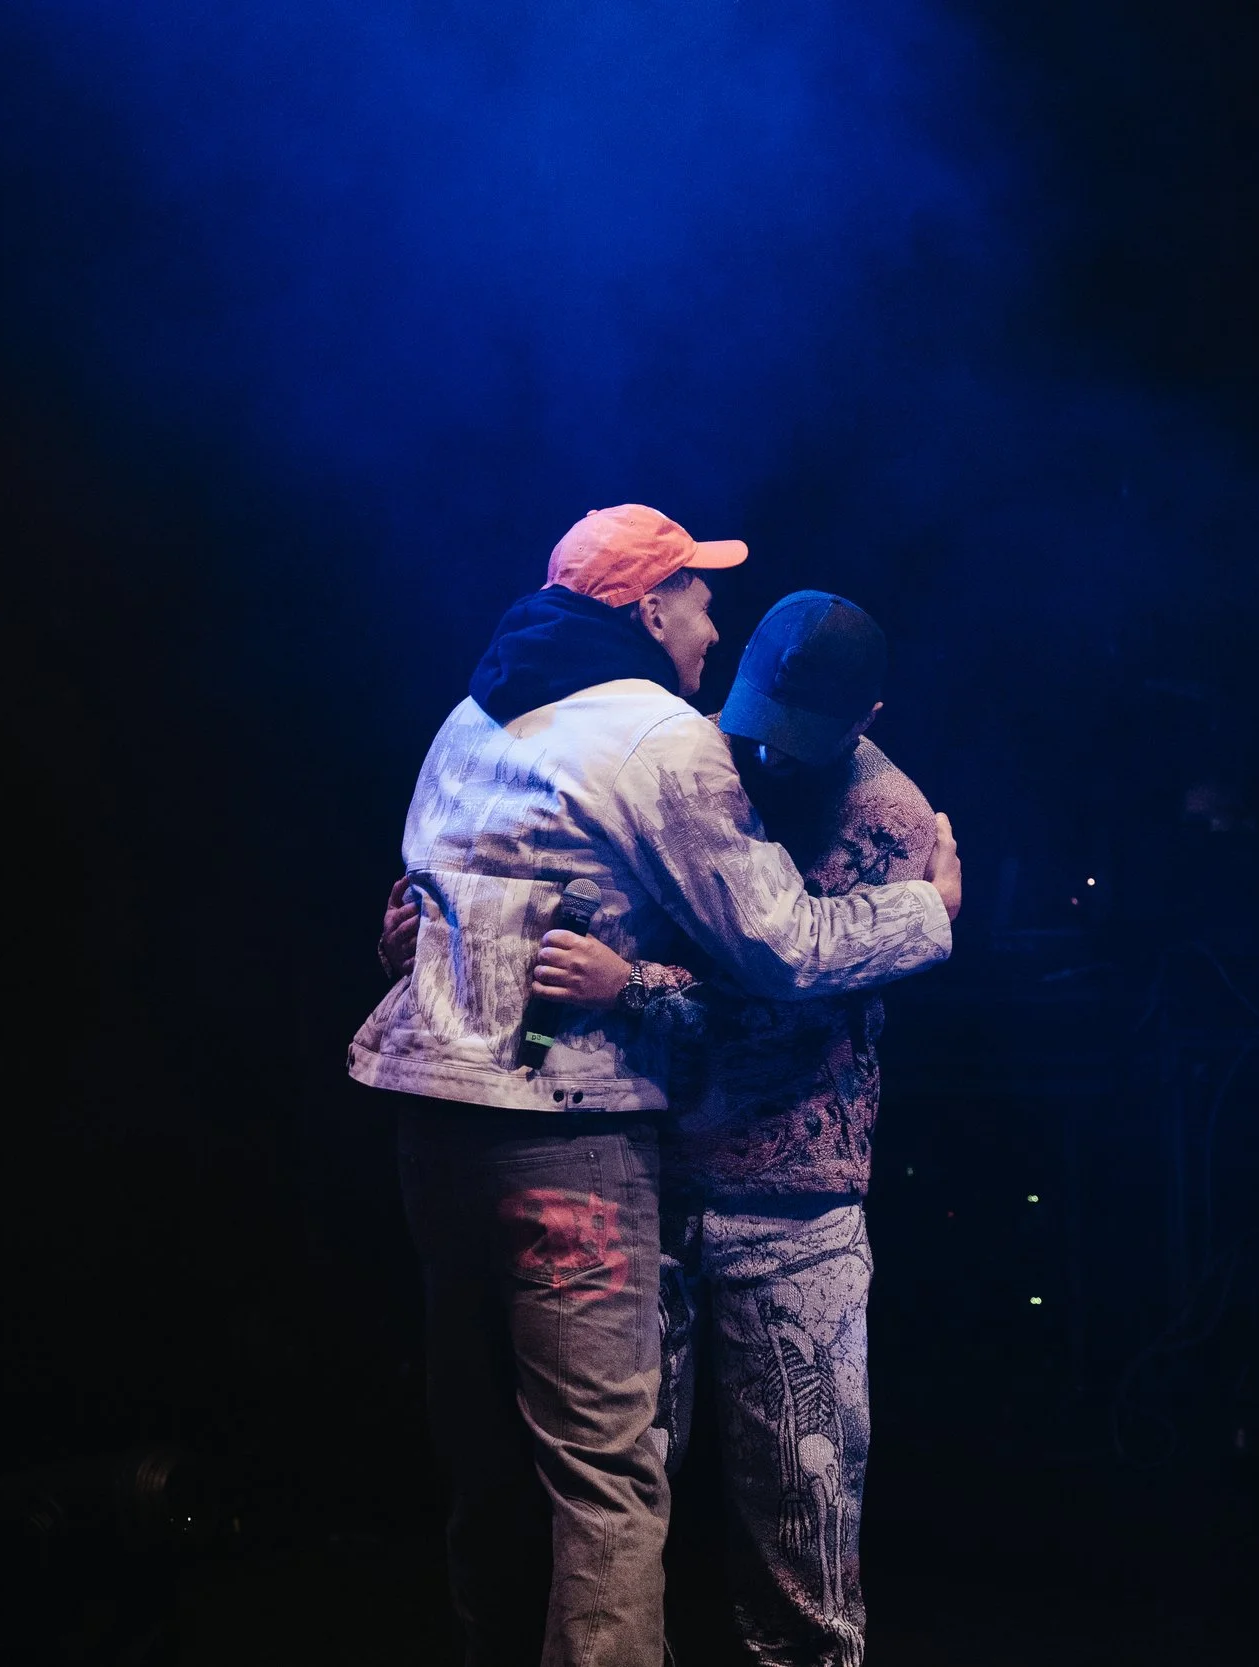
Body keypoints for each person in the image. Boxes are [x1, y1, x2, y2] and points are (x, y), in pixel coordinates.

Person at [354, 510, 962, 1667]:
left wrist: (462, 949)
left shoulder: (471, 715)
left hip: (491, 1126)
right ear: (647, 610)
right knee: (600, 1488)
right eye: (695, 594)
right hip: (588, 1143)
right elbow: (781, 946)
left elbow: (458, 891)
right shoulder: (665, 739)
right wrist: (930, 911)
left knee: (527, 1478)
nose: (709, 619)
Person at [529, 591, 930, 1666]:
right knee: (606, 1517)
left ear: (869, 713)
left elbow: (792, 1008)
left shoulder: (889, 820)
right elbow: (581, 915)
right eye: (754, 717)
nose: (766, 751)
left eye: (796, 735)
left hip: (795, 1211)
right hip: (648, 1187)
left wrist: (634, 988)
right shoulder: (689, 760)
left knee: (802, 1559)